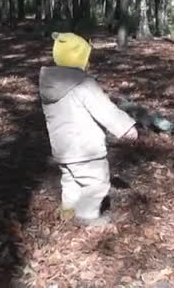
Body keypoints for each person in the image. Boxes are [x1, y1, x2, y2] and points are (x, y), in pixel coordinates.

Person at [38, 32, 138, 225]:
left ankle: (68, 211)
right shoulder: (83, 84)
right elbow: (105, 110)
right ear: (79, 59)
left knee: (71, 180)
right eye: (86, 58)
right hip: (86, 148)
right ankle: (86, 217)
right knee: (96, 184)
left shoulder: (49, 83)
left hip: (63, 149)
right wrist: (125, 128)